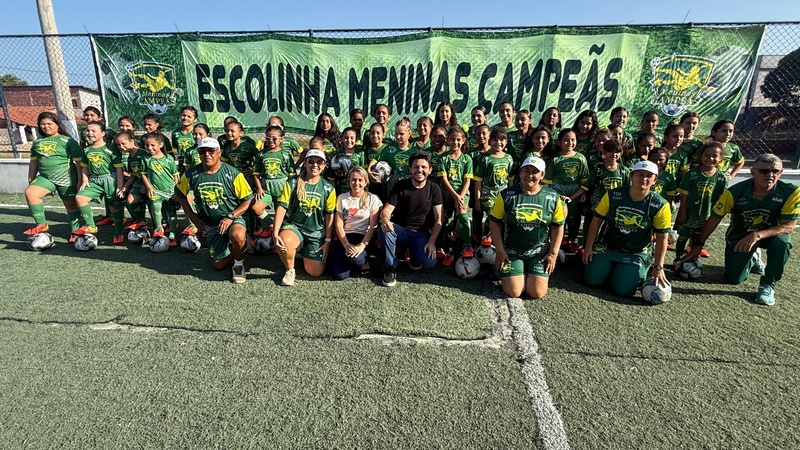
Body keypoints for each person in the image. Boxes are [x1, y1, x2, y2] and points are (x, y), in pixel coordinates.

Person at [682, 153, 799, 306]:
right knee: (734, 279)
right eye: (764, 171)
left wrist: (757, 235)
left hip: (771, 234)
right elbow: (714, 218)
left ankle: (768, 285)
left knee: (782, 243)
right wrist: (699, 244)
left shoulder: (791, 191)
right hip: (741, 235)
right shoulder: (734, 192)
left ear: (781, 172)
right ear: (753, 172)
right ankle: (753, 257)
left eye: (775, 171)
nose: (770, 175)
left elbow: (788, 226)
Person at [582, 160, 672, 298]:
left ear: (655, 180)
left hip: (636, 252)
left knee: (623, 290)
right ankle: (610, 269)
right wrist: (588, 247)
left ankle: (630, 270)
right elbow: (597, 220)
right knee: (591, 280)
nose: (644, 178)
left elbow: (662, 237)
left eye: (649, 176)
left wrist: (658, 267)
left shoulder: (660, 204)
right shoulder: (613, 195)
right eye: (639, 174)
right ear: (631, 176)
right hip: (607, 246)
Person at [173, 137, 253, 283]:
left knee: (237, 235)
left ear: (219, 152)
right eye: (202, 152)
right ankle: (234, 250)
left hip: (232, 218)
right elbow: (179, 195)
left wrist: (231, 216)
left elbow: (248, 200)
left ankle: (238, 264)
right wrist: (193, 216)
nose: (206, 154)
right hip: (210, 223)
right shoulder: (191, 174)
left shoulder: (233, 173)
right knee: (218, 265)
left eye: (211, 151)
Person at [490, 156, 565, 299]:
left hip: (539, 252)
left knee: (536, 293)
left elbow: (558, 226)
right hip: (512, 251)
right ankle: (516, 270)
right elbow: (495, 222)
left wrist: (553, 253)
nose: (529, 175)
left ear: (542, 175)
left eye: (535, 172)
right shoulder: (506, 195)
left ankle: (526, 271)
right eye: (526, 171)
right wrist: (499, 249)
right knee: (514, 292)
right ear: (520, 172)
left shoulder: (553, 197)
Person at [273, 149, 336, 286]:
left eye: (319, 162)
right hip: (295, 227)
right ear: (305, 163)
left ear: (324, 166)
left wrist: (327, 241)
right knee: (285, 240)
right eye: (311, 161)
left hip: (316, 232)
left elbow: (329, 216)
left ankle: (301, 251)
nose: (315, 165)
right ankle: (290, 270)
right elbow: (282, 207)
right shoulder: (292, 183)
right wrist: (275, 233)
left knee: (315, 272)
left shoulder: (328, 188)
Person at [379, 151, 443, 287]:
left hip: (421, 233)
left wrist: (431, 241)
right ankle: (390, 267)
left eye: (424, 167)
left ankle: (414, 253)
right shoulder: (400, 185)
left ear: (430, 170)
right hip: (400, 231)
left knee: (429, 263)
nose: (419, 170)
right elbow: (386, 210)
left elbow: (438, 221)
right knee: (385, 228)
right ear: (410, 169)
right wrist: (385, 220)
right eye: (416, 167)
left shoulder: (434, 189)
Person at [23, 112, 83, 241]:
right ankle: (41, 225)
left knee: (71, 206)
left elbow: (79, 162)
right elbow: (34, 162)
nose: (46, 126)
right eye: (42, 124)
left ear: (57, 125)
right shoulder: (37, 142)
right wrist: (31, 179)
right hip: (45, 178)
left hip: (67, 178)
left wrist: (80, 180)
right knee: (30, 192)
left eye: (49, 123)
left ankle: (75, 231)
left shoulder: (68, 141)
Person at [72, 121, 126, 243]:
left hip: (110, 180)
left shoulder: (110, 149)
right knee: (80, 197)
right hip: (94, 180)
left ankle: (118, 233)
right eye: (88, 130)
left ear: (103, 133)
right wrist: (85, 180)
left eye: (93, 131)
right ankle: (91, 225)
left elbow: (118, 168)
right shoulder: (87, 150)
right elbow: (84, 166)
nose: (90, 133)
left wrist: (119, 185)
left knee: (114, 208)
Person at [673, 143, 727, 262]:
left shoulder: (721, 177)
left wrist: (714, 215)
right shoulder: (692, 174)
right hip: (689, 213)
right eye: (707, 155)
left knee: (698, 238)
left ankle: (692, 259)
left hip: (706, 215)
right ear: (701, 157)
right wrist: (682, 210)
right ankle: (677, 259)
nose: (710, 158)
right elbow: (684, 194)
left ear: (720, 159)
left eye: (714, 156)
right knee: (682, 237)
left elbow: (721, 199)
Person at [331, 166, 382, 280]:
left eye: (360, 180)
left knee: (356, 260)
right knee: (339, 276)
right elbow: (339, 224)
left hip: (363, 237)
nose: (356, 183)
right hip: (345, 237)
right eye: (353, 180)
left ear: (366, 182)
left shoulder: (373, 198)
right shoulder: (342, 198)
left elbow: (373, 225)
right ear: (349, 181)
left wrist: (362, 245)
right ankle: (349, 260)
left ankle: (363, 260)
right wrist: (346, 245)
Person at [543, 128, 589, 253]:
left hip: (575, 191)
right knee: (558, 217)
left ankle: (572, 240)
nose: (570, 143)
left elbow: (585, 181)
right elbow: (547, 181)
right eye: (566, 140)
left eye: (573, 140)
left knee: (574, 218)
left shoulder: (581, 158)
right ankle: (555, 243)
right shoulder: (555, 159)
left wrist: (580, 193)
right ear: (559, 142)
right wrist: (554, 196)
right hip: (557, 191)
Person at [252, 125, 297, 238]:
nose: (271, 141)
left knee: (283, 215)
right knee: (256, 208)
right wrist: (259, 188)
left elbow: (292, 175)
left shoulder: (285, 155)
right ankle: (271, 224)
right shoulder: (261, 154)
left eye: (274, 138)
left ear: (281, 139)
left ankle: (280, 235)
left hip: (282, 189)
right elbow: (256, 174)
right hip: (266, 189)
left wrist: (291, 191)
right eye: (268, 138)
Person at [437, 127, 474, 265]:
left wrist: (460, 197)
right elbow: (444, 179)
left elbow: (467, 180)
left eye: (458, 139)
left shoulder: (467, 159)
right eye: (452, 139)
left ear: (463, 140)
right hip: (447, 193)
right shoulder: (443, 158)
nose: (455, 142)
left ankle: (467, 246)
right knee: (447, 222)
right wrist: (455, 196)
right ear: (447, 140)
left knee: (463, 217)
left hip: (462, 193)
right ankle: (448, 250)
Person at [472, 127, 514, 244]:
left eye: (502, 140)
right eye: (495, 140)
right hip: (488, 193)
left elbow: (510, 179)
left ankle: (500, 240)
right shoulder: (485, 158)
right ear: (490, 141)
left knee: (504, 217)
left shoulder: (508, 158)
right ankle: (486, 237)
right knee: (492, 213)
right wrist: (477, 200)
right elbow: (478, 181)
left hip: (503, 192)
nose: (498, 143)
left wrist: (510, 194)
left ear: (506, 142)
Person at [140, 132, 180, 245]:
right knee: (155, 205)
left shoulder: (169, 159)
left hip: (170, 191)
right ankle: (158, 229)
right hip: (155, 190)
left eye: (153, 145)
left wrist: (177, 191)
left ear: (161, 144)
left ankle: (172, 235)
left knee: (171, 212)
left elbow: (175, 175)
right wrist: (148, 187)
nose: (150, 148)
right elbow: (143, 174)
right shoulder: (146, 159)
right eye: (147, 145)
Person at [171, 106, 198, 172]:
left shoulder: (197, 133)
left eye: (189, 116)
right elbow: (175, 149)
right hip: (180, 165)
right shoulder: (175, 133)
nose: (185, 118)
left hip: (194, 164)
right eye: (183, 115)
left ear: (195, 119)